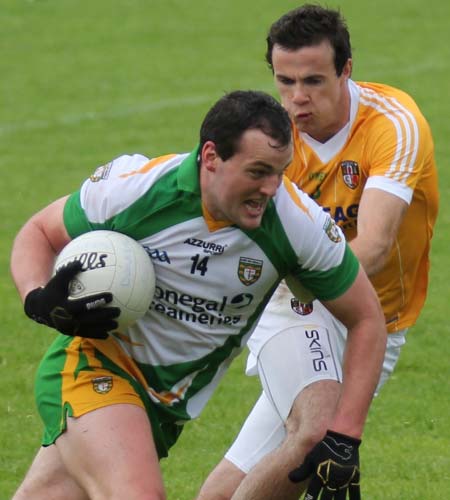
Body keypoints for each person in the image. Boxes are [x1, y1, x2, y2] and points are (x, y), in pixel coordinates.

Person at [10, 89, 386, 500]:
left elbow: (367, 317)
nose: (270, 187)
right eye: (258, 171)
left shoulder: (297, 225)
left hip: (164, 407)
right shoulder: (137, 189)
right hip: (92, 367)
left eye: (280, 172)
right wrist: (38, 299)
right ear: (211, 158)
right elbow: (40, 232)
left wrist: (345, 436)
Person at [197, 5, 439, 500]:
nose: (296, 99)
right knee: (317, 435)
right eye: (285, 82)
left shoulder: (394, 126)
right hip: (295, 301)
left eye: (313, 80)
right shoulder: (272, 141)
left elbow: (372, 246)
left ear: (346, 70)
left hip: (379, 317)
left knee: (252, 466)